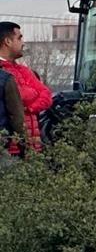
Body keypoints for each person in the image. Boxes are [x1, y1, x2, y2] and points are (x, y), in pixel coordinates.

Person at [0, 22, 52, 155]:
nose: (23, 43)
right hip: (10, 149)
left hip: (31, 147)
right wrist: (32, 93)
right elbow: (21, 95)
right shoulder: (2, 74)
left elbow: (46, 95)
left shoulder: (23, 70)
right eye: (19, 38)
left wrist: (29, 107)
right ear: (7, 41)